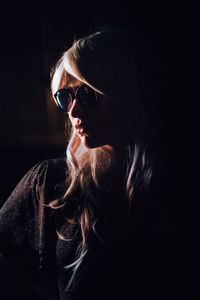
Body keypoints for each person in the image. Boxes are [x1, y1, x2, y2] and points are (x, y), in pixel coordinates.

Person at [0, 28, 175, 299]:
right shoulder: (49, 185)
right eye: (65, 98)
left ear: (123, 93)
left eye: (86, 94)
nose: (73, 111)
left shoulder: (171, 188)